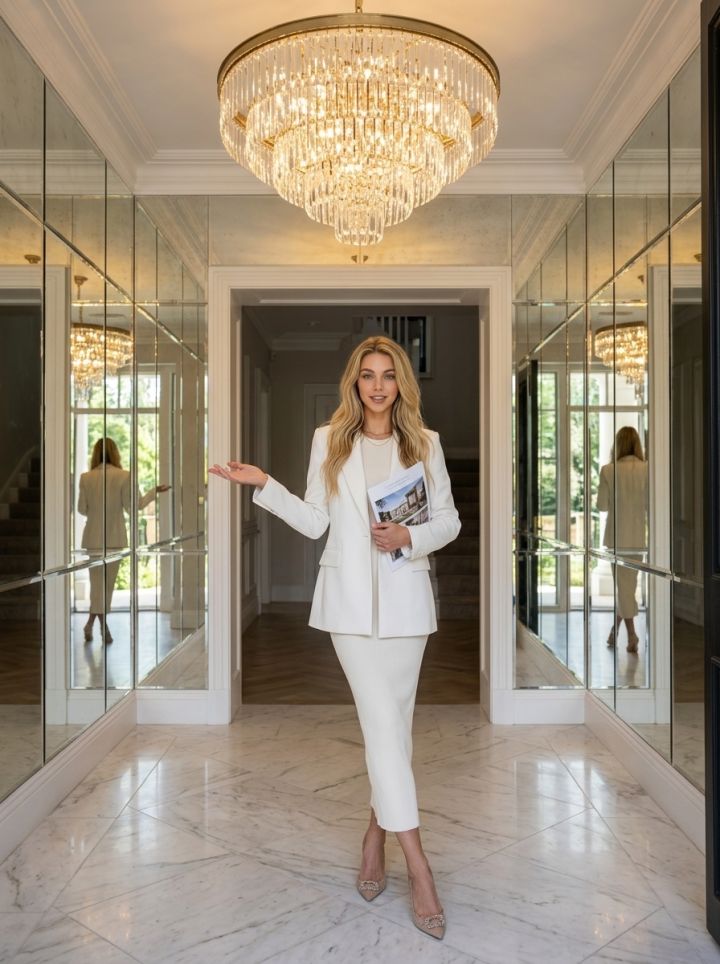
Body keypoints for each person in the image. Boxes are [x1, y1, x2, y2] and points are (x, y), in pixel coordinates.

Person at [210, 335, 461, 941]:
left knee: (392, 733)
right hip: (348, 609)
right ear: (354, 382)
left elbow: (449, 521)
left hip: (407, 610)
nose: (377, 386)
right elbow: (315, 520)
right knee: (382, 725)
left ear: (401, 384)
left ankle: (375, 837)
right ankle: (420, 868)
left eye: (388, 375)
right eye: (367, 375)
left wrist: (410, 538)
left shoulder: (425, 444)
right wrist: (264, 484)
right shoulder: (329, 440)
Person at [77, 437, 170, 644]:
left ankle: (93, 625)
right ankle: (101, 627)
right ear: (115, 453)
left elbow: (81, 509)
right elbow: (135, 506)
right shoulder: (124, 476)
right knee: (106, 587)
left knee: (96, 586)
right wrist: (154, 492)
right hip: (114, 538)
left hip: (92, 539)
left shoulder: (85, 478)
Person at [597, 425, 648, 654]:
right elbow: (650, 505)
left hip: (616, 539)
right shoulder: (647, 469)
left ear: (617, 444)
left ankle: (631, 635)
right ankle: (617, 631)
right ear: (637, 444)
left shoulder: (608, 470)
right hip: (637, 538)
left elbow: (602, 506)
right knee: (627, 588)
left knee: (624, 589)